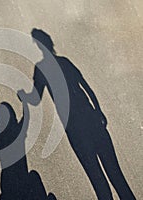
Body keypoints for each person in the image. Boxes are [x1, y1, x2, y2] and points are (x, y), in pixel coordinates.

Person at [18, 28, 136, 200]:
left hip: (74, 127)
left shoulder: (42, 69)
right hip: (91, 118)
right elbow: (86, 87)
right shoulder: (64, 62)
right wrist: (98, 110)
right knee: (116, 174)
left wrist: (22, 96)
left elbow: (35, 99)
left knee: (97, 179)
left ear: (38, 45)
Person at [0, 100, 56, 200]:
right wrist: (25, 103)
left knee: (33, 175)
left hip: (7, 178)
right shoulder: (18, 131)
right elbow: (27, 119)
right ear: (15, 118)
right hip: (8, 181)